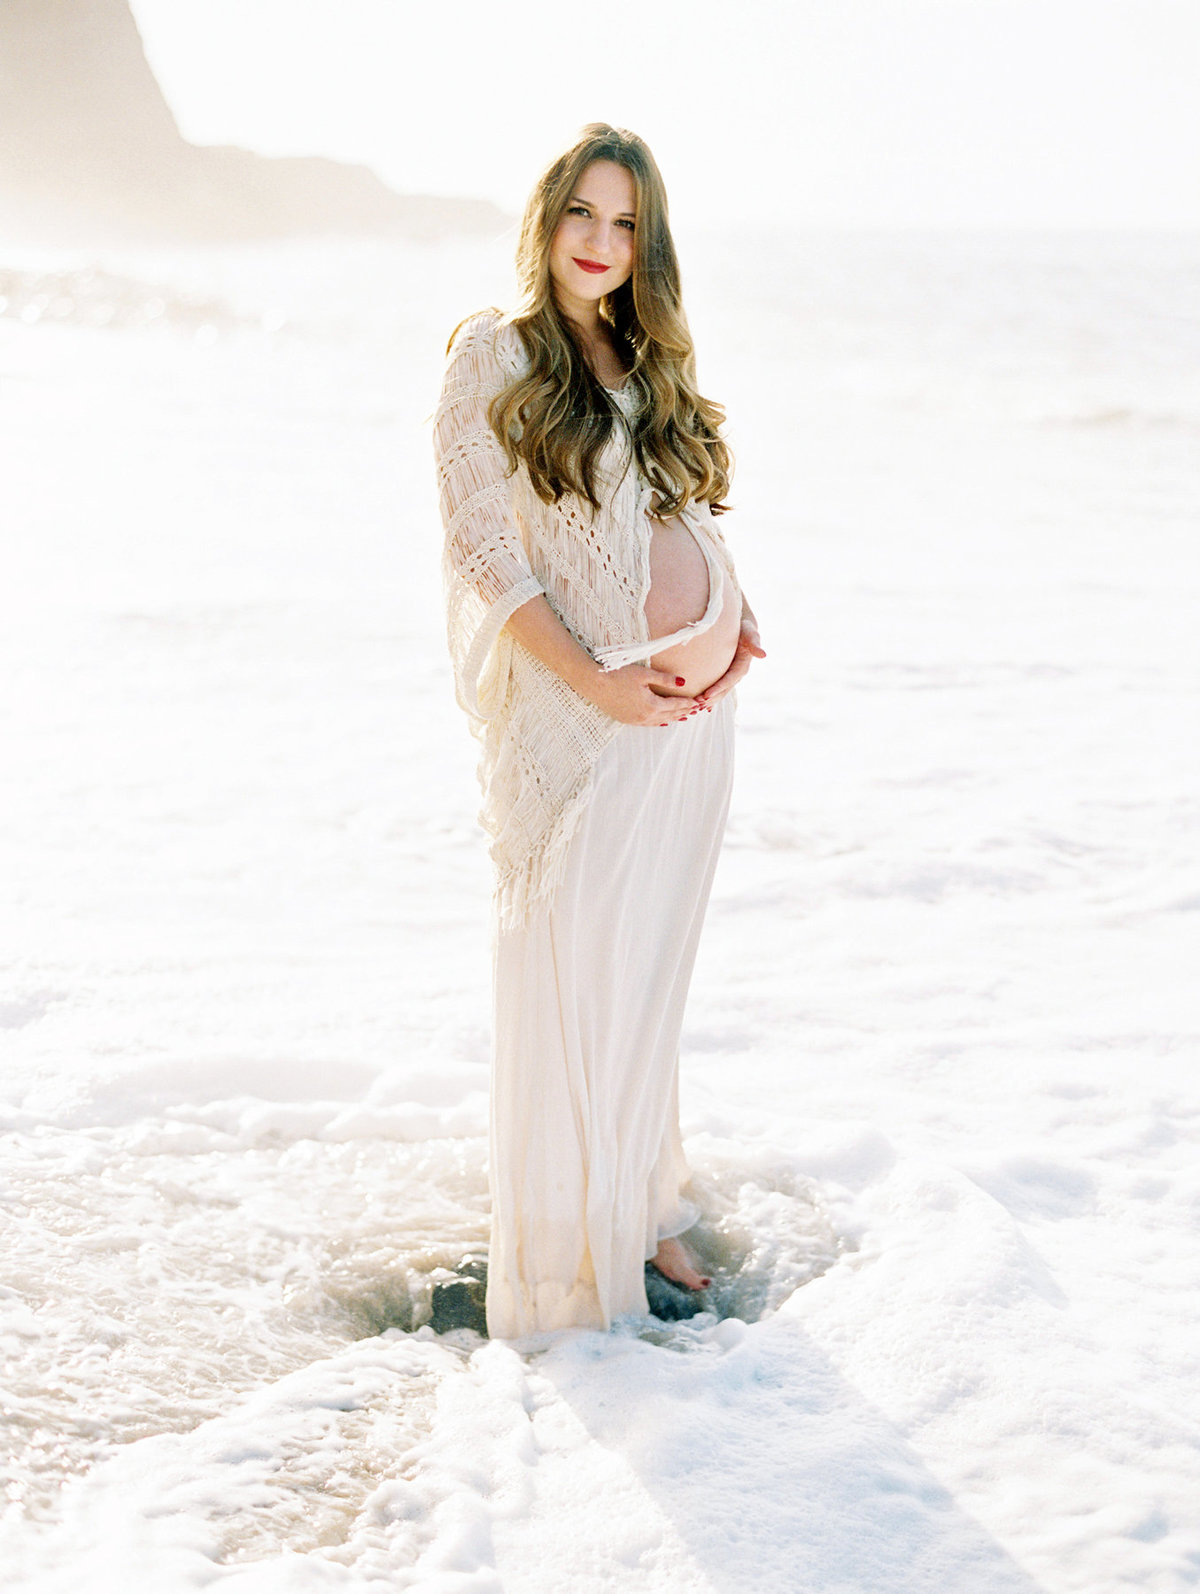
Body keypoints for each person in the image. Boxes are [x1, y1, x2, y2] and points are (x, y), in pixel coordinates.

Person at [432, 122, 765, 1339]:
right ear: (546, 216)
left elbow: (670, 506)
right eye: (583, 213)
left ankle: (642, 1199)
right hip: (588, 723)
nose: (601, 242)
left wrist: (736, 612)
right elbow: (484, 551)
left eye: (626, 224)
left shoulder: (642, 360)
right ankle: (572, 1250)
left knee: (648, 974)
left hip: (687, 725)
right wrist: (596, 685)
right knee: (575, 974)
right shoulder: (496, 351)